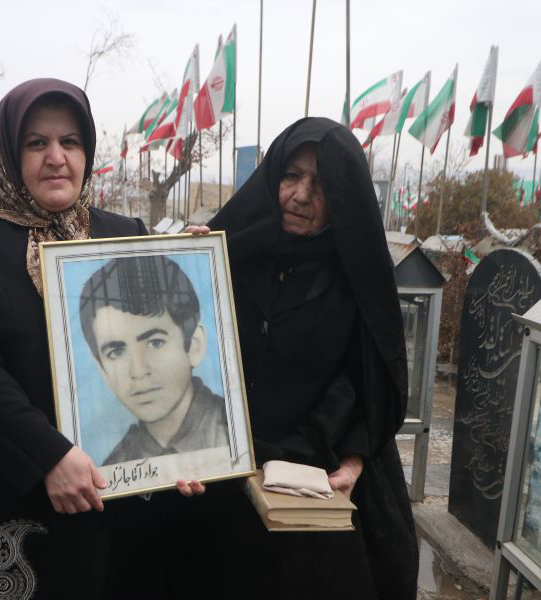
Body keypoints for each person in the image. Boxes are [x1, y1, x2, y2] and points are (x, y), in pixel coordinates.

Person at [0, 78, 203, 600]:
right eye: (37, 143)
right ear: (10, 154)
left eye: (69, 142)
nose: (56, 157)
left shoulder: (124, 234)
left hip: (111, 492)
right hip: (12, 489)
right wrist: (48, 456)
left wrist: (184, 453)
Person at [197, 117, 419, 599]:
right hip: (218, 475)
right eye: (291, 176)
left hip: (315, 475)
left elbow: (368, 380)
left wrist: (352, 459)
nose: (300, 195)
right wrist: (184, 260)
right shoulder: (229, 252)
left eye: (320, 185)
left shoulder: (357, 275)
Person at [78, 255, 229, 465]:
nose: (138, 370)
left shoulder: (235, 436)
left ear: (194, 346)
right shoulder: (114, 467)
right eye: (116, 352)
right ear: (102, 369)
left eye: (155, 342)